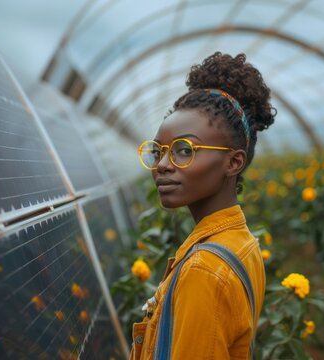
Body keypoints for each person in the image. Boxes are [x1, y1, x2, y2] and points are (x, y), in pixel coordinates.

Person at [131, 52, 276, 360]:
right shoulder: (242, 243)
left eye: (185, 150)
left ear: (233, 162)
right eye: (158, 151)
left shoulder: (205, 271)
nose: (163, 165)